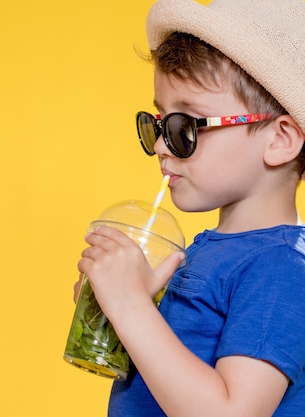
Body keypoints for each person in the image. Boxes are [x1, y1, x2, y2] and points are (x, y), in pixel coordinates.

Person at [75, 0, 305, 415]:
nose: (162, 146)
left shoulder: (281, 269)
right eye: (158, 124)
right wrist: (120, 303)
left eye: (186, 127)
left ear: (279, 140)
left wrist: (131, 307)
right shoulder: (208, 250)